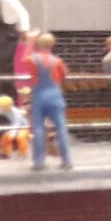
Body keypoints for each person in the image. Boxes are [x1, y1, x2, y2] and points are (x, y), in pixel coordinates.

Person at [25, 32, 72, 172]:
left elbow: (24, 61)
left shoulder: (32, 59)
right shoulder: (57, 61)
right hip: (55, 96)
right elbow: (64, 75)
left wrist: (30, 42)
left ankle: (39, 161)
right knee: (61, 128)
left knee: (38, 129)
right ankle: (66, 160)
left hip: (39, 96)